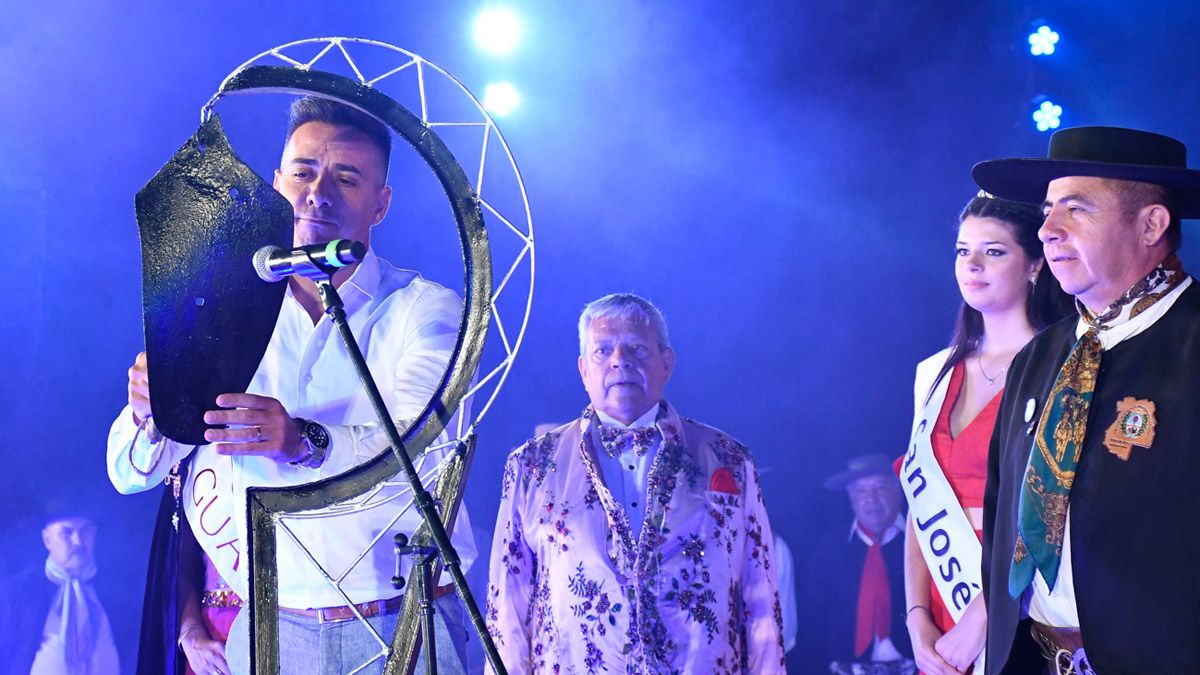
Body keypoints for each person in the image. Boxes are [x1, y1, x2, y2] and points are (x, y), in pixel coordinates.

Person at [107, 96, 475, 674]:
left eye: (346, 178)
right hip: (269, 627)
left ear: (380, 204)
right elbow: (130, 475)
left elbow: (425, 451)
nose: (318, 192)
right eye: (303, 172)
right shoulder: (219, 310)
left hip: (405, 620)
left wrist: (304, 440)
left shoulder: (424, 309)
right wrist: (150, 415)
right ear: (277, 183)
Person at [972, 125, 1200, 673]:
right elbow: (1001, 512)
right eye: (1048, 210)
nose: (1047, 230)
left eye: (1075, 209)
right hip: (1034, 657)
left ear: (1151, 224)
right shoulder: (1039, 356)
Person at [485, 293, 785, 673]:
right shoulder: (532, 466)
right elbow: (506, 608)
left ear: (666, 363)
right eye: (603, 351)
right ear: (583, 370)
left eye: (637, 349)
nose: (619, 361)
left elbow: (760, 600)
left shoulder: (728, 459)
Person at [899, 193, 1071, 675]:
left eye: (993, 251)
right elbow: (919, 505)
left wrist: (985, 616)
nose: (972, 264)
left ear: (1035, 265)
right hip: (939, 600)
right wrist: (917, 622)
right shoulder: (932, 373)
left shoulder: (1061, 365)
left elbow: (1055, 506)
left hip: (1022, 602)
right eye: (961, 250)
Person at [810, 454, 914, 674]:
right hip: (849, 667)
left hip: (914, 666)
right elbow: (816, 611)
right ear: (851, 498)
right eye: (861, 491)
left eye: (880, 488)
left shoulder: (921, 541)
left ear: (898, 491)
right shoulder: (830, 549)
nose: (871, 499)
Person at [0, 510, 120, 675]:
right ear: (47, 539)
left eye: (85, 531)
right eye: (66, 533)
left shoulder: (117, 584)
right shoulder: (18, 591)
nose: (77, 541)